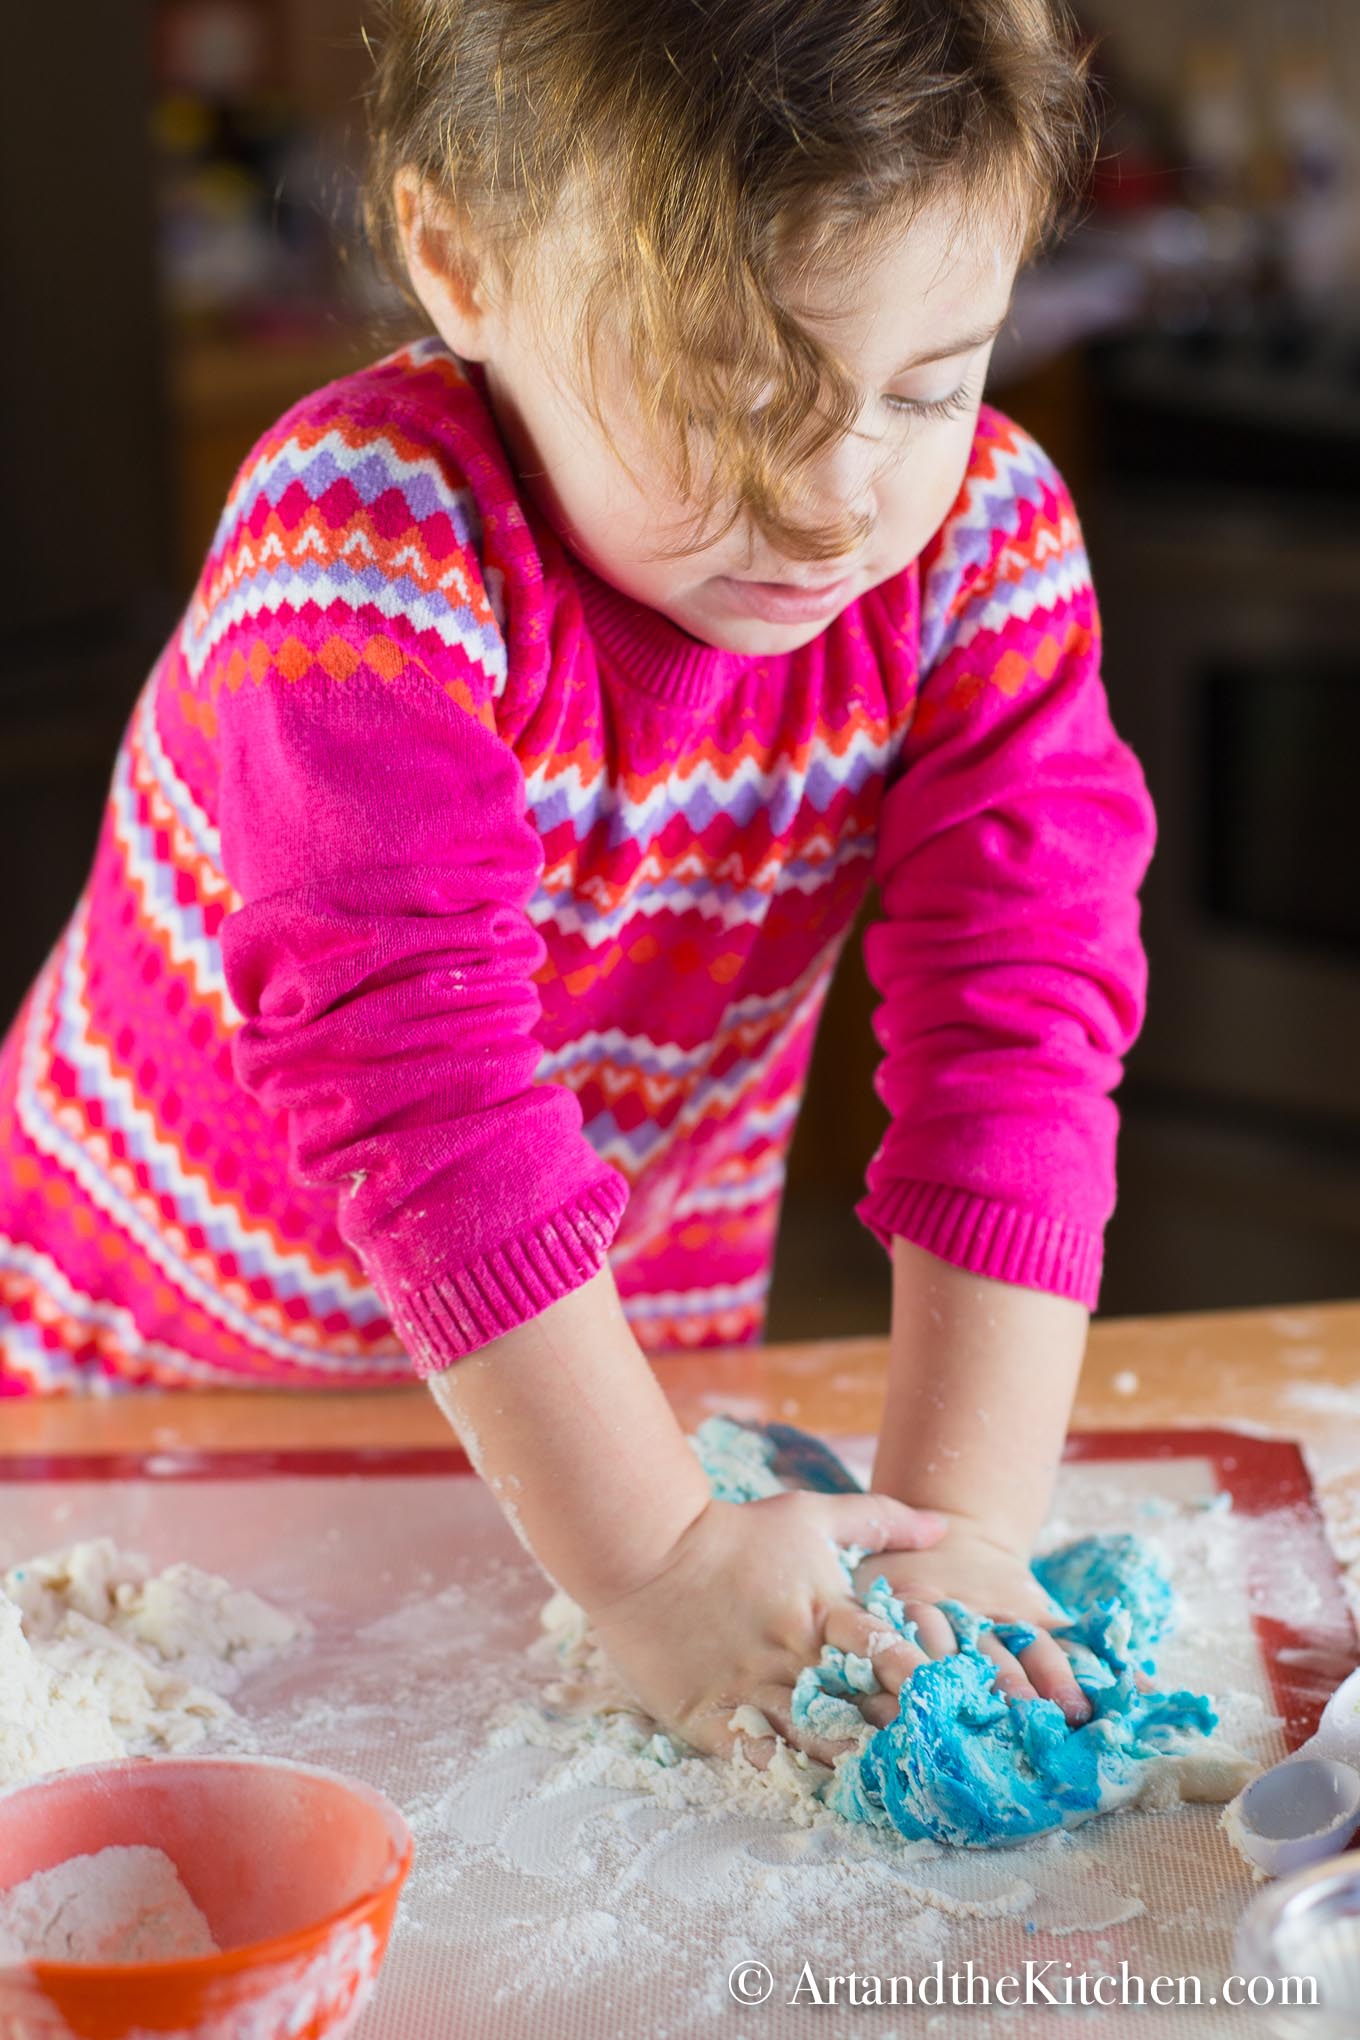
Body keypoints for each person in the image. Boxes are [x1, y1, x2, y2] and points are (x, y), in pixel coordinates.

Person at [0, 0, 1157, 1766]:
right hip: (171, 1378)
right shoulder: (363, 548)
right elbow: (422, 1074)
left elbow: (1024, 1022)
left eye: (931, 383)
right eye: (731, 393)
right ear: (463, 263)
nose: (843, 499)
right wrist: (658, 1574)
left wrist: (954, 1539)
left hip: (606, 1372)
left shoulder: (979, 553)